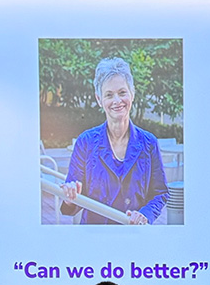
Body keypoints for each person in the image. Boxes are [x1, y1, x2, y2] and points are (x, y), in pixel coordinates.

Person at [61, 56, 168, 225]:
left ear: (132, 94)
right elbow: (72, 200)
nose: (117, 101)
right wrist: (69, 197)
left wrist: (145, 214)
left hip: (134, 233)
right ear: (99, 99)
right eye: (109, 95)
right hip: (94, 235)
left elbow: (160, 193)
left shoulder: (149, 143)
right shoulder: (85, 142)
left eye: (122, 92)